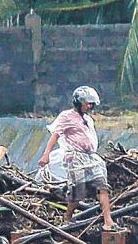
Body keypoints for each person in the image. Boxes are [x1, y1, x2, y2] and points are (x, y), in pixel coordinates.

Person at [37, 85, 115, 230]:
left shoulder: (88, 119)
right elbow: (55, 135)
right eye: (87, 103)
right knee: (77, 191)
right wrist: (46, 154)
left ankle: (108, 221)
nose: (89, 106)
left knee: (102, 187)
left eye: (91, 104)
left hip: (91, 158)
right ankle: (67, 217)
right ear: (78, 102)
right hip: (75, 158)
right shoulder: (67, 116)